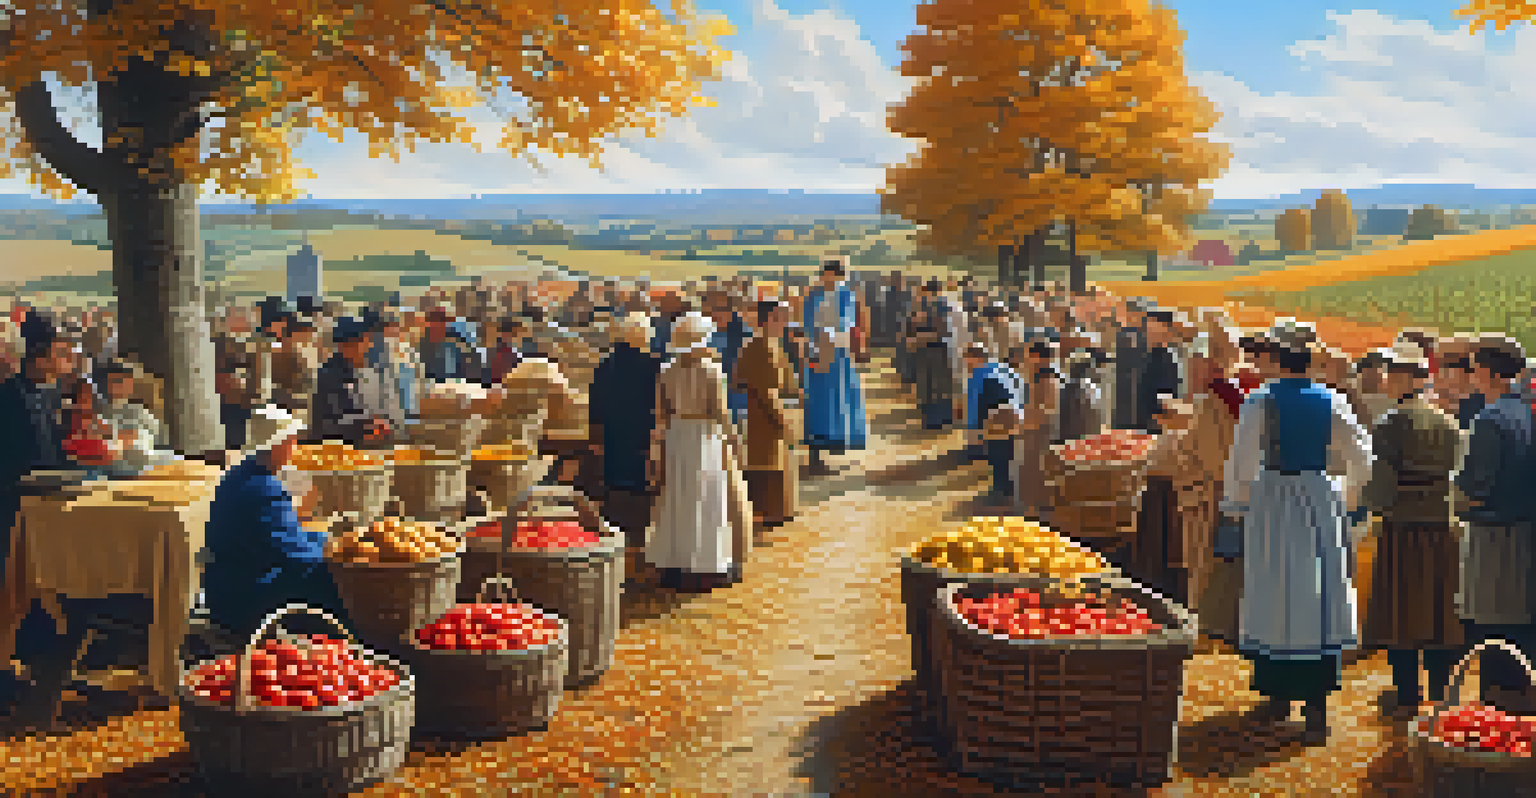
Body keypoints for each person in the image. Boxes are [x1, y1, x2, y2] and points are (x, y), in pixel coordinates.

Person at [1221, 320, 1371, 744]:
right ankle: (1316, 707)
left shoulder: (1259, 401)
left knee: (1274, 589)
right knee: (1317, 592)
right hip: (1318, 497)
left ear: (1274, 358)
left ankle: (1277, 695)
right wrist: (1344, 492)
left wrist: (1237, 504)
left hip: (1273, 499)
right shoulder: (1332, 400)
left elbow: (1241, 460)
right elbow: (1362, 458)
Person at [1358, 340, 1464, 718]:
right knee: (1440, 613)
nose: (1384, 378)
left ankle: (1407, 695)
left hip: (1404, 529)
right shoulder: (1449, 422)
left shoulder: (1391, 423)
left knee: (1400, 613)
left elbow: (1381, 489)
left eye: (1391, 371)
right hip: (1443, 527)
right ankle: (1441, 691)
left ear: (1406, 377)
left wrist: (1369, 506)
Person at [202, 406, 351, 641]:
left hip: (224, 584)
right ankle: (346, 638)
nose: (295, 448)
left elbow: (286, 535)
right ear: (279, 445)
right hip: (243, 595)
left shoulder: (240, 474)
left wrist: (327, 541)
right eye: (292, 441)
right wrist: (343, 559)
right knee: (333, 577)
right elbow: (298, 555)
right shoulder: (264, 489)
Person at [1454, 335, 1536, 713]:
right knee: (1520, 624)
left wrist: (1454, 502)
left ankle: (1500, 708)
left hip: (1493, 533)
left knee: (1491, 627)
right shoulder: (1524, 410)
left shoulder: (1489, 419)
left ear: (1486, 371)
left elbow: (1474, 487)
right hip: (1524, 530)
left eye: (1472, 367)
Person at [646, 313, 753, 591]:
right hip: (704, 437)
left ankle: (674, 563)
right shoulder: (711, 371)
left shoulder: (667, 370)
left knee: (677, 498)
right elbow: (720, 412)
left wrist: (659, 444)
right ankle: (708, 564)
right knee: (707, 499)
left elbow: (661, 413)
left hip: (677, 435)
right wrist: (736, 440)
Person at [590, 313, 663, 552]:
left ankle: (615, 538)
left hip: (613, 433)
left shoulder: (605, 365)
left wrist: (596, 436)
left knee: (615, 485)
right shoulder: (653, 365)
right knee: (641, 486)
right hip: (642, 432)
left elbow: (595, 405)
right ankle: (638, 542)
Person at [735, 300, 802, 528]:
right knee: (767, 464)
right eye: (782, 317)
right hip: (764, 416)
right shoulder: (760, 347)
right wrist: (782, 420)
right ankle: (769, 512)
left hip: (774, 411)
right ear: (769, 320)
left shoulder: (771, 344)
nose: (786, 322)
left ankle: (778, 509)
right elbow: (765, 389)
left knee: (776, 461)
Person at [801, 257, 868, 475]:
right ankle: (816, 450)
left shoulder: (845, 294)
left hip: (838, 353)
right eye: (827, 275)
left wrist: (834, 337)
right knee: (818, 401)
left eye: (835, 275)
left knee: (840, 400)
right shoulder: (813, 295)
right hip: (818, 352)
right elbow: (808, 322)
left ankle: (837, 443)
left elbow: (848, 322)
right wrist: (819, 340)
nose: (830, 279)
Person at [310, 318, 394, 448]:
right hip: (332, 445)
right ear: (345, 346)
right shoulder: (330, 375)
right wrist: (366, 423)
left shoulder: (353, 369)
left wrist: (371, 421)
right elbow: (334, 419)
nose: (367, 347)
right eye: (362, 342)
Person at [964, 343, 1022, 505]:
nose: (966, 365)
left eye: (968, 361)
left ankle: (999, 492)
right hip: (1017, 417)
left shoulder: (978, 374)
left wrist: (973, 432)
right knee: (1011, 455)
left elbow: (974, 404)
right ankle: (1012, 490)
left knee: (997, 456)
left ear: (975, 358)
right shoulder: (1005, 369)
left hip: (995, 420)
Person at [1013, 339, 1062, 518]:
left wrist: (1026, 424)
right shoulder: (1039, 376)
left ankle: (1037, 512)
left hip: (1041, 433)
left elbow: (1047, 409)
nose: (1026, 360)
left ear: (1037, 357)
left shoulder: (1048, 378)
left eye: (1029, 356)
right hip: (1034, 431)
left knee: (1036, 472)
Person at [909, 279, 955, 430]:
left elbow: (941, 332)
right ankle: (932, 420)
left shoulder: (942, 306)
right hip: (925, 351)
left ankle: (940, 420)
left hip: (938, 350)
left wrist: (919, 338)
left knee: (938, 387)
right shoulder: (924, 306)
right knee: (927, 387)